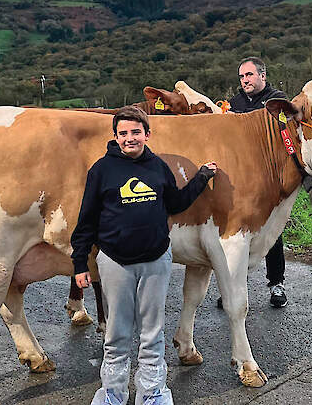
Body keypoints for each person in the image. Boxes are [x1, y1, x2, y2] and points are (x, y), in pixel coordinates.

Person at [71, 106, 217, 405]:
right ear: (115, 137)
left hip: (155, 261)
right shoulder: (102, 170)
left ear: (147, 134)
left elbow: (176, 204)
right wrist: (80, 263)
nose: (129, 138)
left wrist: (201, 177)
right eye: (123, 133)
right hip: (115, 262)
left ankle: (152, 393)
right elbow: (86, 219)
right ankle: (113, 393)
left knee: (153, 333)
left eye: (136, 132)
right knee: (116, 332)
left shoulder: (158, 167)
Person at [225, 56, 289, 308]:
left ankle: (277, 284)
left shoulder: (277, 100)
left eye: (249, 75)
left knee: (271, 230)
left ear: (263, 75)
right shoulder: (235, 102)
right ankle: (235, 288)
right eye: (241, 77)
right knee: (238, 231)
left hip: (268, 175)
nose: (244, 81)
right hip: (239, 174)